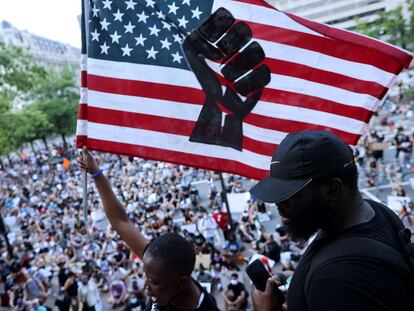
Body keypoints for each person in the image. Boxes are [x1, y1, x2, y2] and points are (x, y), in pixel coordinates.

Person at [249, 130, 414, 311]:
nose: (279, 206)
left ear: (333, 189)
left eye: (290, 196)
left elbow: (343, 281)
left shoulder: (336, 280)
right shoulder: (377, 211)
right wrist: (297, 280)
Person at [77, 147, 219, 311]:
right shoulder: (161, 265)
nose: (146, 285)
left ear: (182, 282)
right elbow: (120, 221)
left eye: (153, 281)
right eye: (146, 276)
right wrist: (96, 172)